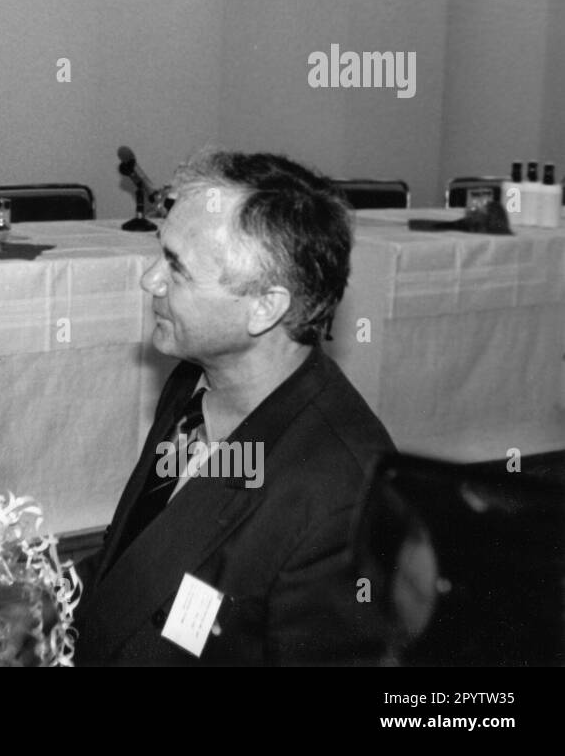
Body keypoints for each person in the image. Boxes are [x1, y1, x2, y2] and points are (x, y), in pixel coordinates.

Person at [73, 149, 395, 665]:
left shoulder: (341, 495)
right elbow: (137, 558)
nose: (149, 280)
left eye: (177, 268)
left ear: (265, 307)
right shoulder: (195, 383)